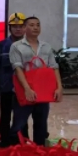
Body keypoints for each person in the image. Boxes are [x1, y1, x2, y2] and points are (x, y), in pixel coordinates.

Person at [9, 16, 63, 146]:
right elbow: (17, 68)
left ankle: (39, 152)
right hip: (24, 92)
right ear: (24, 28)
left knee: (41, 126)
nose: (35, 28)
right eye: (32, 25)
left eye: (38, 25)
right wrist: (27, 89)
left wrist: (59, 87)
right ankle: (18, 152)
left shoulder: (46, 47)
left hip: (43, 93)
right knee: (19, 126)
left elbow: (54, 67)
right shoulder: (16, 46)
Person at [0, 12, 29, 147]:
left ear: (25, 28)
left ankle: (21, 140)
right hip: (7, 87)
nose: (18, 29)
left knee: (22, 116)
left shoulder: (30, 46)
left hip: (23, 89)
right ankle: (4, 140)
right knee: (5, 115)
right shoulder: (1, 46)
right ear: (9, 28)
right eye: (15, 26)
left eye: (21, 26)